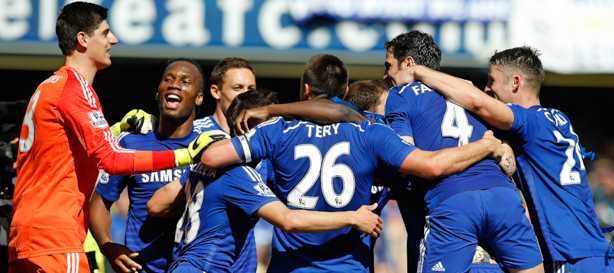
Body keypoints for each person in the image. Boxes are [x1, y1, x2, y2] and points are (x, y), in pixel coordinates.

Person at [198, 54, 507, 273]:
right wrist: (485, 145)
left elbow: (211, 157)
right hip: (350, 265)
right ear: (345, 93)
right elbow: (431, 165)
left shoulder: (277, 129)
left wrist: (272, 112)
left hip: (289, 265)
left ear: (305, 90)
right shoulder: (372, 130)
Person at [9, 3, 214, 272]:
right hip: (55, 238)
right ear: (83, 39)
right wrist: (184, 156)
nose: (113, 40)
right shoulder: (76, 89)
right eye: (105, 33)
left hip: (27, 234)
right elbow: (112, 159)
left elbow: (64, 148)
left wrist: (114, 129)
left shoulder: (48, 86)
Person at [395, 45, 614, 272]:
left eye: (491, 81)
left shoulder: (529, 122)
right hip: (600, 256)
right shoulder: (558, 119)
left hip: (570, 257)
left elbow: (478, 103)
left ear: (515, 83)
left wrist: (418, 72)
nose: (487, 88)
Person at [147, 89, 384, 273]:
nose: (278, 133)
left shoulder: (202, 167)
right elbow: (288, 220)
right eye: (269, 125)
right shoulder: (238, 174)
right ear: (248, 127)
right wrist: (353, 217)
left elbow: (156, 205)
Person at [382, 30, 543, 273]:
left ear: (409, 63)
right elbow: (507, 161)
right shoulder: (469, 92)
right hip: (504, 197)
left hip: (453, 201)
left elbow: (405, 160)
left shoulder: (400, 95)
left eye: (389, 66)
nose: (386, 75)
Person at [90, 58, 209, 273]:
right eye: (168, 79)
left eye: (185, 81)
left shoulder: (209, 149)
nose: (174, 84)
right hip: (140, 268)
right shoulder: (130, 142)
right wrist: (107, 246)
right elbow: (99, 202)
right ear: (158, 93)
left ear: (199, 98)